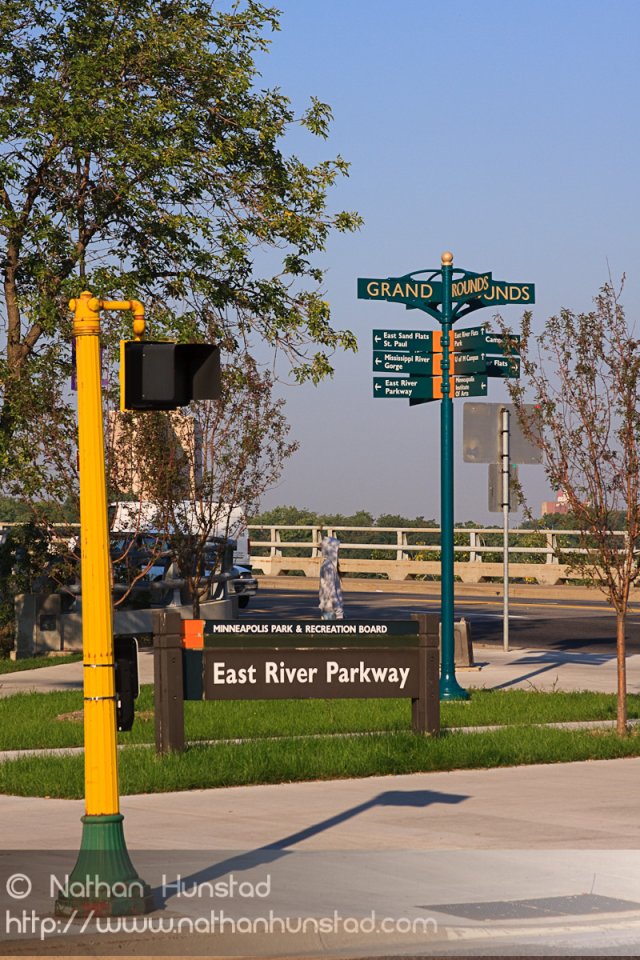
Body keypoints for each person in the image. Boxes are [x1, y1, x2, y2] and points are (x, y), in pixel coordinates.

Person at [318, 536, 344, 620]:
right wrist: (339, 613)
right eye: (337, 549)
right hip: (331, 611)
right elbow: (331, 591)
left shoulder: (328, 565)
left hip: (330, 609)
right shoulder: (328, 567)